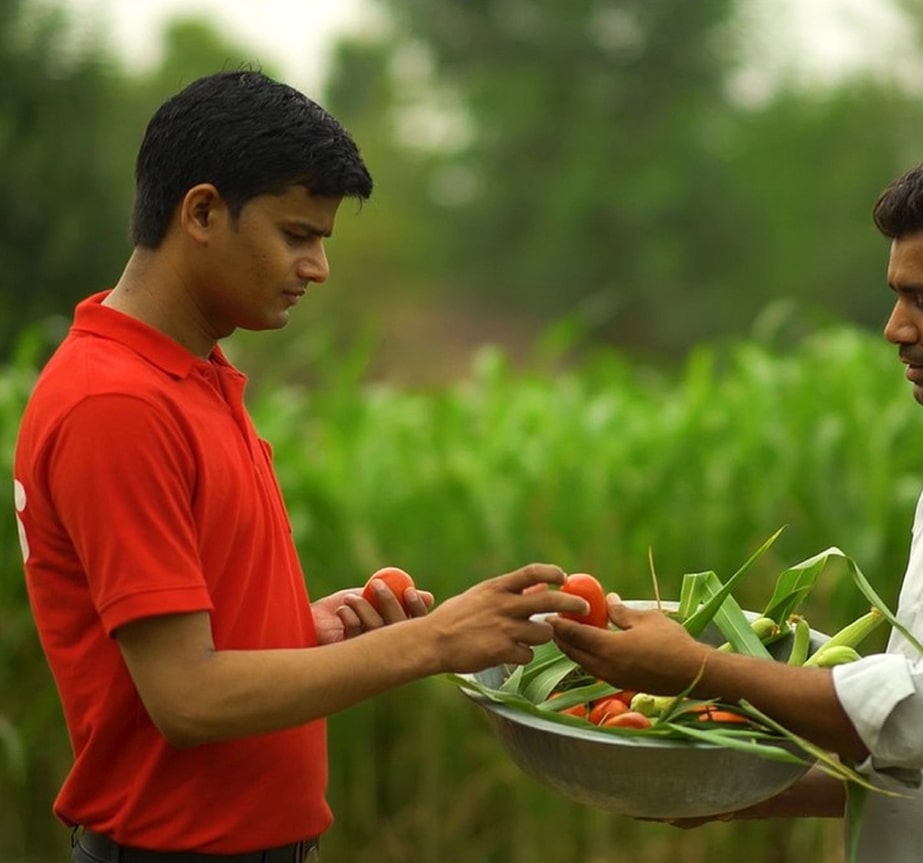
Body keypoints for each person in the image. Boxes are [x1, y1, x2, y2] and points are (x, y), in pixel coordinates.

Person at [12, 70, 588, 863]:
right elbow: (186, 698)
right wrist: (435, 643)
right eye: (296, 234)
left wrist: (294, 630)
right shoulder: (117, 403)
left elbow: (182, 639)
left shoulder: (188, 372)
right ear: (203, 212)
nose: (316, 267)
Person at [552, 145, 923, 861]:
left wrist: (697, 668)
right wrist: (720, 788)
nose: (894, 328)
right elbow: (909, 761)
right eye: (897, 296)